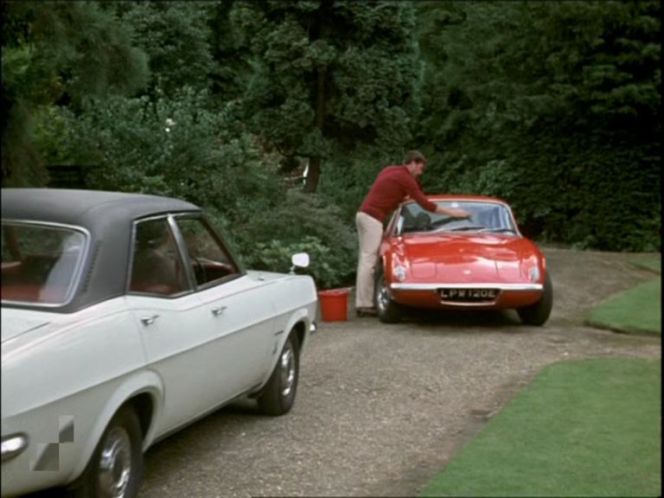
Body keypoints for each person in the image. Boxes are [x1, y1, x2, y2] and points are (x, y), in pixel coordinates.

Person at [354, 150, 470, 317]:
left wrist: (401, 197)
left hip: (362, 215)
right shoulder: (406, 178)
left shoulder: (390, 170)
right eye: (420, 168)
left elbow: (387, 192)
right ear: (413, 163)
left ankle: (362, 303)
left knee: (365, 259)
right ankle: (364, 305)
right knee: (369, 262)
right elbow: (425, 204)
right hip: (373, 218)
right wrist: (453, 213)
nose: (420, 173)